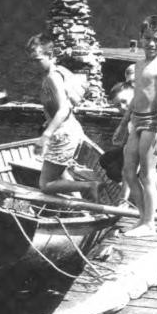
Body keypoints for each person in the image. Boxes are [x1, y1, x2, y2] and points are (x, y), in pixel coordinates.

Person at [112, 15, 157, 237]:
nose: (151, 44)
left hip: (151, 123)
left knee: (147, 175)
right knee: (128, 173)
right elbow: (137, 96)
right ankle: (143, 218)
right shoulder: (138, 65)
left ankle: (150, 223)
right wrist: (122, 124)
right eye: (147, 38)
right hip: (135, 120)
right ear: (140, 38)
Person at [26, 33, 102, 201]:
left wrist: (46, 135)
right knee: (61, 173)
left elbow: (64, 109)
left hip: (64, 134)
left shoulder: (53, 77)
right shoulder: (58, 72)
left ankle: (89, 186)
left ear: (51, 55)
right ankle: (82, 204)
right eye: (32, 61)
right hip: (67, 131)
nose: (35, 65)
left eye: (38, 60)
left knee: (45, 184)